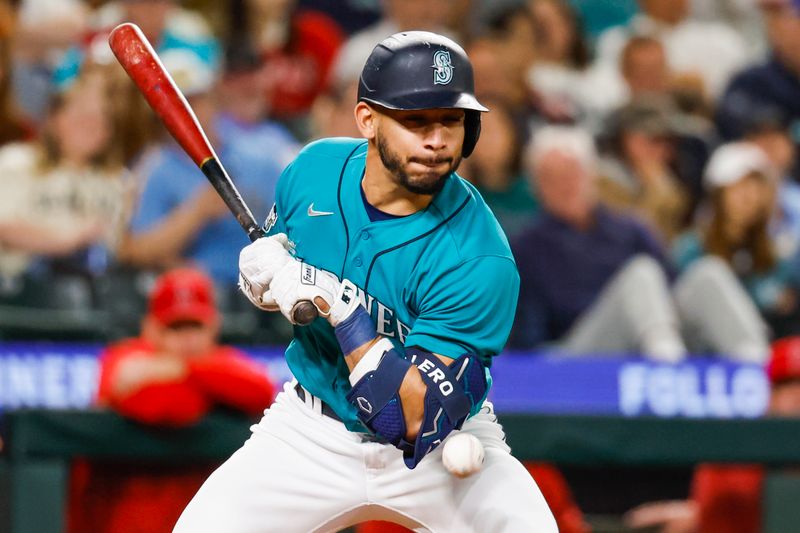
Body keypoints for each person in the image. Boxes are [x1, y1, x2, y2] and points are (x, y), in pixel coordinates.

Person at [174, 31, 557, 532]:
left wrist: (337, 303)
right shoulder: (312, 171)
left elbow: (407, 418)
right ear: (367, 120)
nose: (436, 140)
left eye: (450, 121)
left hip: (441, 443)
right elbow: (282, 281)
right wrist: (263, 279)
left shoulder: (480, 258)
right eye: (414, 121)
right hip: (312, 430)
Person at [511, 125, 769, 363]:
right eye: (551, 177)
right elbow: (527, 339)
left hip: (654, 337)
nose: (565, 184)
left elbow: (675, 292)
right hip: (580, 355)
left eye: (572, 173)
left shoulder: (630, 230)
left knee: (707, 273)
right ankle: (668, 370)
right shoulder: (526, 248)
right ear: (537, 186)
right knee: (640, 275)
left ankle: (758, 366)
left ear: (591, 174)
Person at [68, 267, 275, 533]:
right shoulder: (122, 357)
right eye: (175, 327)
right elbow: (166, 406)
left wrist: (183, 369)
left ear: (213, 326)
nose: (187, 339)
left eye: (195, 326)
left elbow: (261, 389)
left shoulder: (215, 363)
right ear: (151, 328)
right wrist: (208, 386)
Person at [624, 335, 800, 533]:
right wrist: (698, 514)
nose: (797, 397)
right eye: (788, 385)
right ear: (770, 394)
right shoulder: (732, 457)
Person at [673, 142, 800, 338]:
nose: (749, 197)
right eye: (738, 187)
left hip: (767, 349)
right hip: (703, 354)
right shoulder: (691, 248)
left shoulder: (777, 252)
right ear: (718, 194)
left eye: (757, 187)